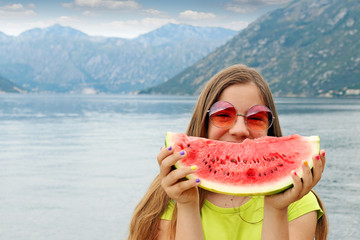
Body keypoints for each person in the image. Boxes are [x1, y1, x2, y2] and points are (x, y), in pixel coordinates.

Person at [127, 64, 328, 240]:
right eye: (223, 115)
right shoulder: (166, 199)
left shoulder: (298, 203)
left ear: (270, 127)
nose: (239, 129)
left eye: (257, 117)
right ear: (203, 122)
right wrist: (187, 205)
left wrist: (276, 209)